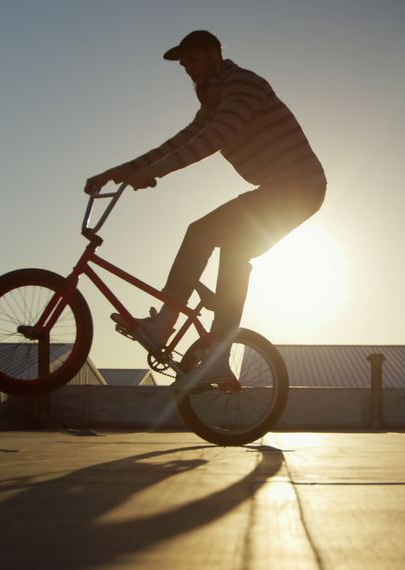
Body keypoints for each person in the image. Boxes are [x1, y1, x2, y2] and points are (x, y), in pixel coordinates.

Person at [83, 30, 327, 391]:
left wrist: (156, 172)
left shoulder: (243, 83)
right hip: (278, 190)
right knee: (233, 255)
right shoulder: (212, 103)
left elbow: (216, 137)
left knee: (202, 232)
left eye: (193, 60)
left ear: (215, 54)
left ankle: (164, 325)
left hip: (298, 187)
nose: (189, 70)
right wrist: (120, 170)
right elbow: (181, 141)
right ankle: (218, 359)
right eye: (184, 65)